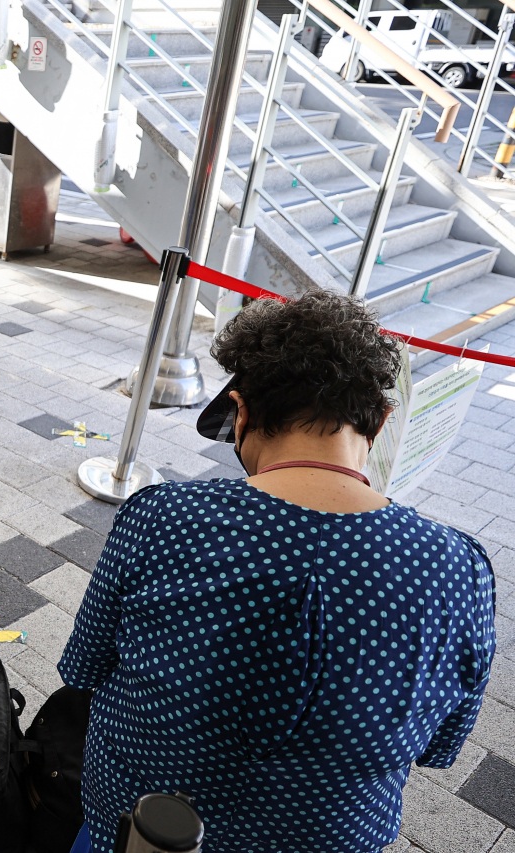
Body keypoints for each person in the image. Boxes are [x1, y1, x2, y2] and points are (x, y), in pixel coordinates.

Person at [58, 291, 495, 852]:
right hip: (332, 838)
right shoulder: (458, 569)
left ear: (240, 412)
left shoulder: (163, 517)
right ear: (382, 420)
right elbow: (439, 745)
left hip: (142, 826)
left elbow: (85, 667)